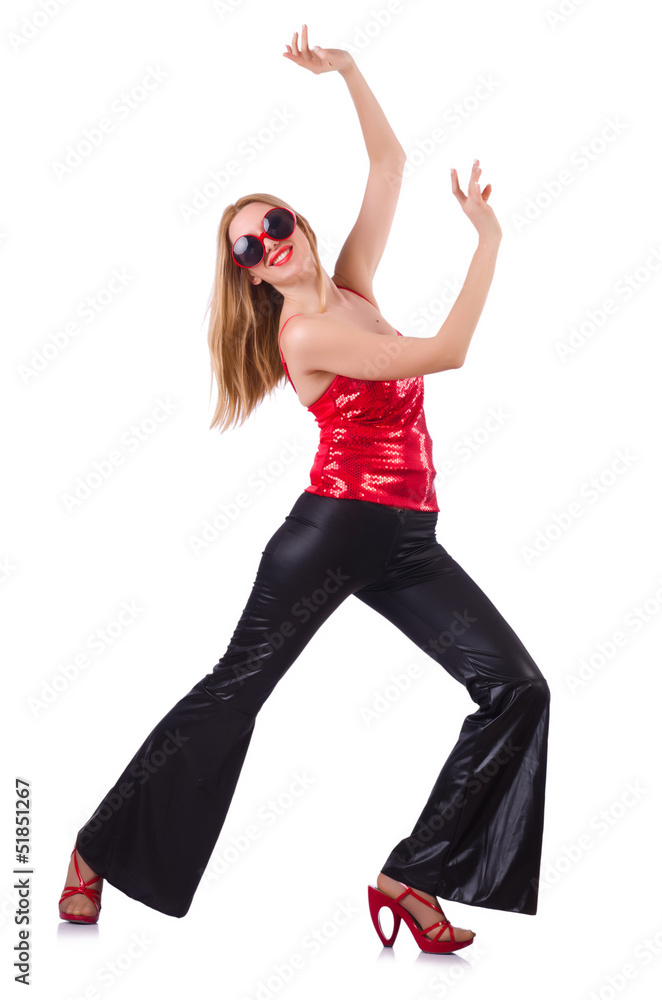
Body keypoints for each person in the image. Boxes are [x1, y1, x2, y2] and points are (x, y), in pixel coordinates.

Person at [58, 26, 550, 955]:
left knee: (518, 688)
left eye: (275, 224)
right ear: (248, 273)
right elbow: (448, 352)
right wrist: (488, 242)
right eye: (248, 248)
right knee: (234, 695)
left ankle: (412, 876)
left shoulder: (352, 288)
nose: (268, 246)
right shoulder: (305, 334)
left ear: (302, 227)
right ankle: (96, 848)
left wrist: (350, 71)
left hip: (408, 541)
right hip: (329, 534)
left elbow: (389, 165)